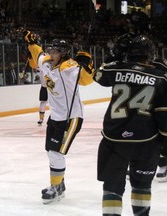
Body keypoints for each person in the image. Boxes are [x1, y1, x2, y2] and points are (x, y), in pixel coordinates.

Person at [93, 34, 167, 215]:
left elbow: (97, 75)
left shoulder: (116, 68)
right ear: (149, 54)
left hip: (114, 139)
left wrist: (114, 56)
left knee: (112, 187)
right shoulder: (160, 77)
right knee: (142, 187)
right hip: (146, 142)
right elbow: (163, 114)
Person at [23, 30, 95, 204]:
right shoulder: (46, 63)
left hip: (71, 118)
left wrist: (87, 64)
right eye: (51, 51)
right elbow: (38, 52)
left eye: (55, 52)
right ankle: (59, 183)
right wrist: (31, 42)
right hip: (55, 117)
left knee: (56, 152)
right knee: (50, 150)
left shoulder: (69, 66)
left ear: (63, 54)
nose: (50, 54)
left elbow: (86, 80)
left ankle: (55, 187)